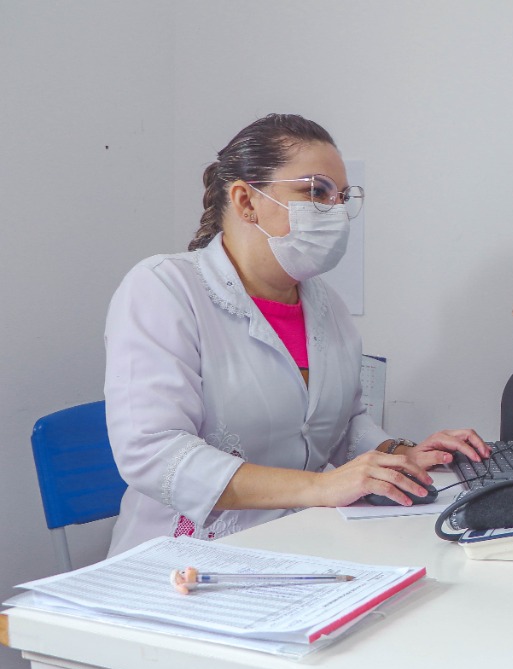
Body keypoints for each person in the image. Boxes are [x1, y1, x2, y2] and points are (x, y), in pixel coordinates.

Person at [104, 114, 488, 556]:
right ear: (246, 201)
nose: (336, 211)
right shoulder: (164, 287)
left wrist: (400, 454)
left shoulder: (325, 305)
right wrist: (322, 487)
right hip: (179, 564)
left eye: (342, 197)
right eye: (316, 192)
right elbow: (154, 454)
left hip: (296, 545)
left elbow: (343, 425)